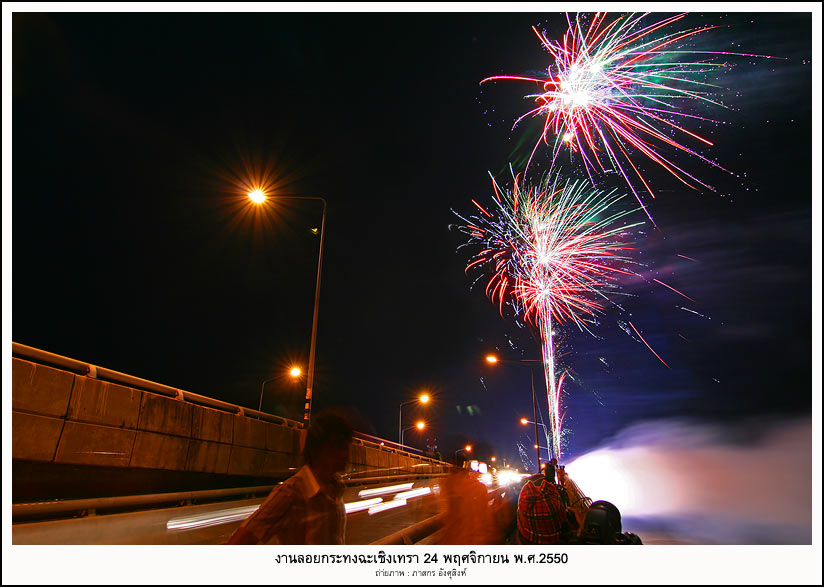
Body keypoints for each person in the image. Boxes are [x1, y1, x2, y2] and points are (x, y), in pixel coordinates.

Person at [227, 410, 353, 544]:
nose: (345, 454)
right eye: (337, 446)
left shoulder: (336, 487)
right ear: (316, 448)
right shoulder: (290, 494)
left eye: (346, 446)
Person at [516, 473, 569, 544]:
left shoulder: (525, 493)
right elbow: (563, 517)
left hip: (530, 538)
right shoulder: (552, 490)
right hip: (555, 538)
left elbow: (520, 520)